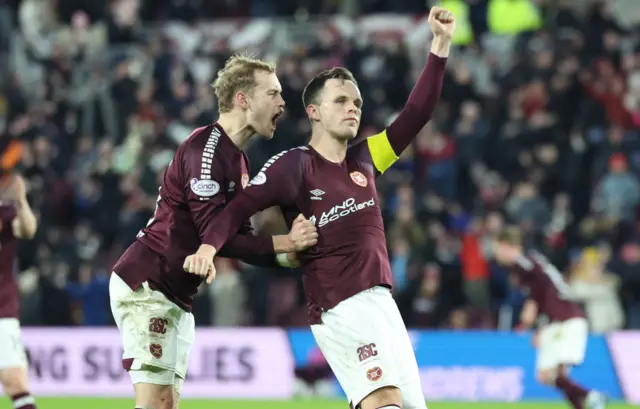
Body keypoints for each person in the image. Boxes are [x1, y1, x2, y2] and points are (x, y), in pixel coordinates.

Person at [183, 7, 455, 409]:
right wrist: (208, 248)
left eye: (357, 102)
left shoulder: (366, 158)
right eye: (341, 100)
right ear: (313, 111)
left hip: (381, 303)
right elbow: (237, 208)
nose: (353, 108)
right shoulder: (293, 165)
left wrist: (440, 44)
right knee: (384, 399)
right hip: (339, 304)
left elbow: (416, 114)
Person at [109, 55, 318, 409]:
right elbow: (213, 236)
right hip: (149, 283)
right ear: (243, 98)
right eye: (273, 93)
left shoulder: (238, 159)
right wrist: (286, 243)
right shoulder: (205, 151)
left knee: (165, 404)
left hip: (175, 295)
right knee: (155, 402)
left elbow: (239, 241)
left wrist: (289, 255)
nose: (283, 102)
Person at [492, 226, 608, 409]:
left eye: (497, 247)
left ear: (507, 246)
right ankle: (590, 400)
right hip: (561, 319)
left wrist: (528, 315)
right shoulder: (532, 261)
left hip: (564, 320)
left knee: (549, 374)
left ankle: (592, 397)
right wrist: (540, 324)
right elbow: (546, 289)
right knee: (552, 376)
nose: (495, 253)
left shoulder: (524, 263)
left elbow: (538, 291)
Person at [0, 174, 38, 409]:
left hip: (2, 309)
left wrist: (21, 200)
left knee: (15, 382)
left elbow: (28, 230)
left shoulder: (6, 214)